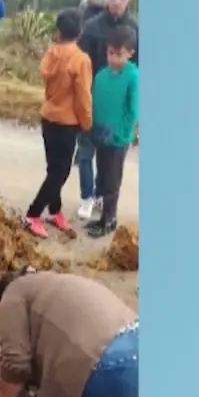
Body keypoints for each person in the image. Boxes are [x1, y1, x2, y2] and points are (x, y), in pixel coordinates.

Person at [0, 268, 138, 397]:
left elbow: (17, 362)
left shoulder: (12, 293)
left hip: (111, 368)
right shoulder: (58, 282)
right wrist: (2, 370)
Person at [73, 0, 139, 221]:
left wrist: (131, 118)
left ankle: (104, 199)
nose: (116, 1)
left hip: (119, 111)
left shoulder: (135, 31)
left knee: (111, 163)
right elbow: (79, 67)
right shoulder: (91, 27)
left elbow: (139, 74)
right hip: (92, 105)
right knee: (88, 154)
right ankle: (87, 197)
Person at [24, 8, 92, 239]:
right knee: (59, 173)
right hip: (66, 122)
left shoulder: (51, 53)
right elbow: (83, 97)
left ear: (59, 31)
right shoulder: (81, 60)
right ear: (80, 32)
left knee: (54, 169)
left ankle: (55, 210)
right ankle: (33, 214)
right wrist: (86, 122)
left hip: (48, 118)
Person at [86, 24, 139, 238]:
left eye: (119, 54)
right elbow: (94, 101)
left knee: (112, 180)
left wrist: (122, 133)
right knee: (102, 176)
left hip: (118, 138)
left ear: (130, 53)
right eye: (110, 53)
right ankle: (101, 218)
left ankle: (110, 219)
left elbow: (133, 109)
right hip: (100, 133)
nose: (114, 58)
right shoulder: (100, 75)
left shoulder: (133, 76)